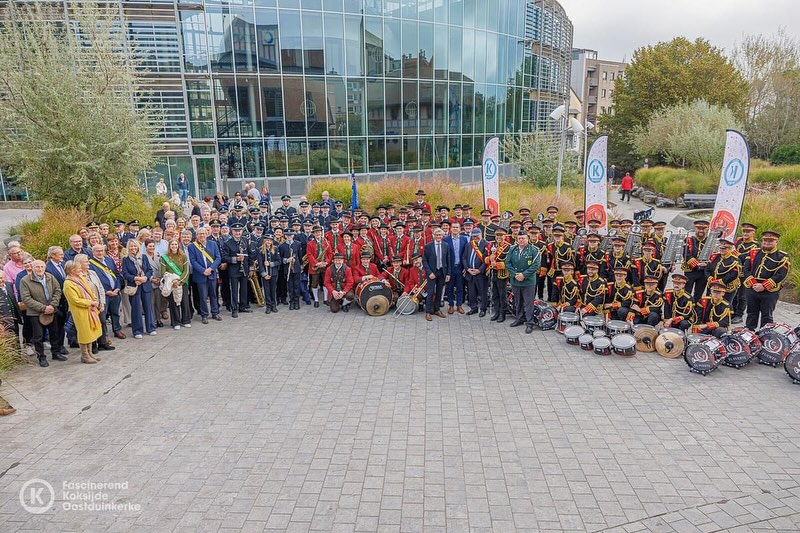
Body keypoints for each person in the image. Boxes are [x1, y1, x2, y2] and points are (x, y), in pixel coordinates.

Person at [20, 260, 64, 368]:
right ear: (32, 268)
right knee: (38, 336)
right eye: (37, 267)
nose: (40, 269)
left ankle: (56, 352)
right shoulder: (25, 280)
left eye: (42, 267)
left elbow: (57, 291)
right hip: (35, 313)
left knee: (54, 332)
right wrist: (43, 308)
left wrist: (52, 306)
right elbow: (26, 298)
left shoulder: (50, 277)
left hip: (51, 310)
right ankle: (41, 357)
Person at [744, 230, 791, 330]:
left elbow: (780, 274)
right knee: (751, 313)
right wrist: (754, 284)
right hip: (753, 288)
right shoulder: (753, 253)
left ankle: (766, 336)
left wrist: (763, 286)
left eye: (770, 241)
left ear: (776, 242)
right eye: (765, 240)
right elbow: (746, 269)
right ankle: (750, 334)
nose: (767, 243)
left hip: (770, 291)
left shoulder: (782, 256)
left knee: (767, 316)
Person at [62, 260, 102, 364]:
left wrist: (95, 300)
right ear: (71, 271)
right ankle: (84, 355)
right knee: (84, 333)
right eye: (78, 268)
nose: (81, 269)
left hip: (90, 310)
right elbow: (75, 300)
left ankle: (89, 353)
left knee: (90, 332)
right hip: (80, 312)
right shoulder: (68, 283)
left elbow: (90, 290)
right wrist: (90, 303)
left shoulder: (80, 278)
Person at [75, 254, 114, 354]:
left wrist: (102, 302)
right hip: (89, 305)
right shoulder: (78, 277)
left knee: (102, 322)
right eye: (86, 262)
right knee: (92, 324)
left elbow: (100, 287)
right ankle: (93, 345)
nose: (88, 263)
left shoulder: (92, 273)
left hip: (98, 303)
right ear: (79, 263)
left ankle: (102, 343)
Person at [504, 231, 541, 334]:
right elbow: (507, 262)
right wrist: (516, 274)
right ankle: (519, 318)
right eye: (519, 238)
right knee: (518, 301)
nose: (521, 240)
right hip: (516, 280)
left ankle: (530, 323)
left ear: (528, 239)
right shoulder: (512, 249)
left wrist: (523, 275)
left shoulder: (534, 250)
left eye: (523, 238)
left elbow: (536, 265)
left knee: (528, 303)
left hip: (528, 281)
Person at [89, 244, 123, 345]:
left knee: (116, 313)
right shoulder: (91, 264)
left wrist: (117, 288)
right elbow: (94, 281)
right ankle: (105, 335)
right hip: (103, 294)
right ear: (93, 252)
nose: (100, 253)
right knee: (103, 317)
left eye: (101, 250)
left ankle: (117, 330)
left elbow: (117, 274)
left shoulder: (109, 260)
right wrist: (105, 291)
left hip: (115, 292)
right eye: (97, 251)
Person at [122, 239, 156, 339]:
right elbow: (125, 274)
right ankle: (137, 330)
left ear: (138, 247)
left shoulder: (144, 257)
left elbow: (149, 270)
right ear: (128, 248)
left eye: (135, 246)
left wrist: (145, 278)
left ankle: (151, 328)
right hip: (134, 286)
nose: (133, 248)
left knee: (148, 307)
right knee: (136, 308)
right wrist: (135, 278)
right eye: (131, 246)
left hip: (145, 285)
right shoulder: (125, 259)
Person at [188, 228, 222, 324]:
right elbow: (193, 261)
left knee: (213, 295)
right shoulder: (192, 246)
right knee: (202, 296)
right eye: (199, 234)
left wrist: (211, 269)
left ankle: (215, 313)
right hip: (200, 275)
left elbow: (218, 258)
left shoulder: (213, 244)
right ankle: (204, 315)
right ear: (196, 236)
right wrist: (203, 271)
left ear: (207, 234)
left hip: (211, 273)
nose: (202, 235)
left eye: (203, 233)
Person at [221, 222, 252, 317]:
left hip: (244, 269)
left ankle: (242, 306)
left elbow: (250, 255)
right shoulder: (228, 243)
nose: (238, 233)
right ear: (232, 231)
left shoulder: (245, 241)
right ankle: (234, 308)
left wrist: (251, 268)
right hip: (234, 270)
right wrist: (236, 259)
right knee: (234, 290)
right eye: (235, 231)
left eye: (239, 231)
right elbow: (224, 257)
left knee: (244, 289)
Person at [161, 239, 192, 329]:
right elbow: (163, 272)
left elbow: (186, 271)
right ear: (169, 246)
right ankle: (175, 322)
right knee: (173, 302)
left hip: (183, 282)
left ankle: (186, 320)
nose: (174, 246)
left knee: (184, 301)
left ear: (178, 246)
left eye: (175, 244)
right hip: (171, 283)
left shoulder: (183, 256)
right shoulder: (164, 257)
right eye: (172, 244)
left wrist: (180, 281)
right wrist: (172, 281)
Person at [422, 228, 452, 321]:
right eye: (436, 235)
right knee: (430, 292)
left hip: (442, 272)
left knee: (439, 292)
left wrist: (448, 274)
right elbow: (424, 260)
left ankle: (437, 309)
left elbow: (448, 260)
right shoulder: (428, 246)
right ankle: (428, 312)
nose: (438, 237)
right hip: (432, 272)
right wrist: (429, 272)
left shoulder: (446, 245)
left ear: (442, 236)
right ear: (433, 236)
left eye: (440, 235)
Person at [487, 227, 511, 322]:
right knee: (495, 294)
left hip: (503, 274)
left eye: (501, 235)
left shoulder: (509, 247)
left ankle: (502, 314)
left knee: (502, 295)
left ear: (505, 236)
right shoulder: (493, 246)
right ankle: (496, 312)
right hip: (493, 273)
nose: (499, 237)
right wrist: (490, 259)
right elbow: (487, 257)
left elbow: (510, 262)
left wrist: (497, 264)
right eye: (497, 235)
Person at [463, 228, 488, 316]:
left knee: (482, 292)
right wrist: (467, 269)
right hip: (470, 272)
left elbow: (486, 261)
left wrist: (479, 270)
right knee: (471, 292)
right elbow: (464, 258)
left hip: (480, 273)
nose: (475, 237)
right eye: (474, 236)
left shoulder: (486, 244)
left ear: (481, 234)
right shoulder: (469, 245)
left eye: (477, 235)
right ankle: (473, 308)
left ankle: (483, 309)